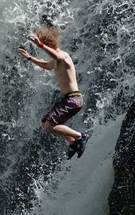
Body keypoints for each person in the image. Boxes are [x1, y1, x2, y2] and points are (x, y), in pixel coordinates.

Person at [17, 25, 88, 159]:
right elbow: (46, 65)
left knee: (50, 125)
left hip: (73, 99)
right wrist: (29, 58)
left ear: (49, 44)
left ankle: (80, 136)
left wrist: (40, 45)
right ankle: (73, 142)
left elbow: (57, 56)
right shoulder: (55, 61)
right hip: (69, 99)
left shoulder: (63, 55)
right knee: (46, 124)